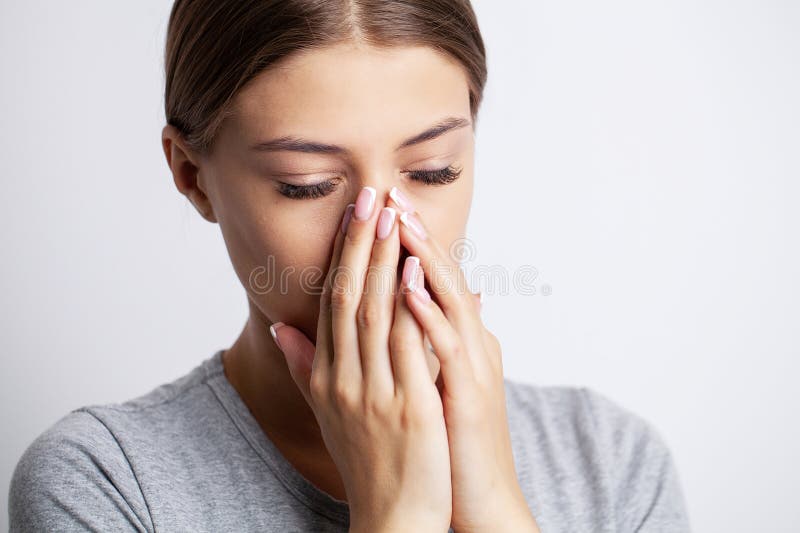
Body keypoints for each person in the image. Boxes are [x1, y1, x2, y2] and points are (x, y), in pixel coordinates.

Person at [8, 1, 691, 531]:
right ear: (193, 175)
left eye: (433, 170)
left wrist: (494, 511)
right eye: (307, 183)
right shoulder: (105, 482)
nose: (385, 232)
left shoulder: (613, 463)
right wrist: (401, 515)